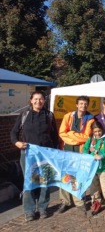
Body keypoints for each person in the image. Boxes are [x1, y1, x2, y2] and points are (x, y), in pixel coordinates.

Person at [10, 91, 59, 221]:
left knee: (45, 182)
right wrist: (17, 143)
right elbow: (14, 133)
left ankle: (42, 208)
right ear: (31, 100)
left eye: (41, 99)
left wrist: (55, 153)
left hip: (46, 154)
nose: (39, 101)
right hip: (28, 153)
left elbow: (55, 136)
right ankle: (29, 210)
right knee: (29, 181)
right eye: (36, 99)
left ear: (44, 101)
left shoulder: (49, 115)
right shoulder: (24, 115)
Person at [58, 95, 95, 214]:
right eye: (81, 104)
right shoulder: (68, 116)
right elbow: (62, 133)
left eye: (85, 104)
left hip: (80, 151)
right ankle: (65, 201)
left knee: (79, 176)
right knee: (65, 174)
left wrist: (71, 134)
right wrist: (74, 138)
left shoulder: (90, 119)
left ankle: (79, 200)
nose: (83, 106)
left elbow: (86, 137)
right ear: (76, 105)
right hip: (67, 149)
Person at [82, 121, 105, 217]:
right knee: (93, 189)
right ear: (92, 131)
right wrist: (89, 154)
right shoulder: (90, 139)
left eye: (99, 131)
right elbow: (85, 150)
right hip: (92, 169)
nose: (98, 133)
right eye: (95, 131)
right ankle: (96, 203)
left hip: (102, 168)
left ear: (102, 130)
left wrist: (102, 156)